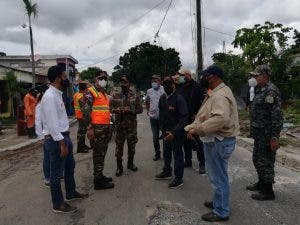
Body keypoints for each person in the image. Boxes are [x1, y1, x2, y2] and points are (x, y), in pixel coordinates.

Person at [185, 64, 239, 222]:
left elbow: (220, 118)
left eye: (205, 76)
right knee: (218, 175)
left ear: (213, 77)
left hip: (218, 141)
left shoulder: (219, 95)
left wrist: (198, 129)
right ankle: (218, 202)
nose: (203, 79)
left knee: (218, 177)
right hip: (219, 140)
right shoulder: (219, 91)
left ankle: (221, 211)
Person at [41, 65, 87, 213]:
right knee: (56, 173)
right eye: (64, 76)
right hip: (56, 140)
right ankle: (58, 204)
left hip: (63, 137)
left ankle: (71, 192)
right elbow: (53, 124)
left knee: (69, 167)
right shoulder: (49, 97)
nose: (66, 79)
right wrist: (61, 143)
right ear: (57, 78)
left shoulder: (57, 94)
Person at [246, 65, 283, 201]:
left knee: (266, 161)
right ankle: (262, 183)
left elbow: (277, 116)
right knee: (257, 159)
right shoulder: (259, 89)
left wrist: (274, 137)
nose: (253, 78)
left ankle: (268, 191)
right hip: (259, 133)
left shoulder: (271, 91)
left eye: (256, 76)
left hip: (267, 134)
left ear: (265, 76)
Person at [80, 72, 114, 190]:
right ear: (96, 79)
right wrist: (89, 128)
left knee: (102, 153)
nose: (103, 80)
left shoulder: (103, 93)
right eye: (101, 78)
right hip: (97, 129)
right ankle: (98, 181)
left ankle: (100, 175)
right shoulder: (91, 92)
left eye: (105, 78)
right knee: (98, 154)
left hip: (104, 128)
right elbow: (85, 110)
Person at [155, 76, 189, 189]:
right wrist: (161, 128)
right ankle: (167, 171)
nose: (167, 86)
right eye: (165, 84)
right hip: (166, 132)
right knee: (166, 153)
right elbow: (161, 114)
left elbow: (184, 118)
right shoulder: (163, 98)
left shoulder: (179, 98)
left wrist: (174, 133)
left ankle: (179, 178)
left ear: (173, 84)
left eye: (169, 83)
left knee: (178, 155)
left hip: (176, 133)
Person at [110, 75, 143, 177]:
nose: (123, 84)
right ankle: (119, 167)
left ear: (129, 83)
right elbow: (110, 109)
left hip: (131, 127)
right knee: (119, 148)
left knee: (131, 146)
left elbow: (140, 110)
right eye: (122, 82)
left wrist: (130, 110)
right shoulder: (115, 95)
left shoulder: (135, 95)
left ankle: (130, 164)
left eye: (125, 82)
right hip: (119, 127)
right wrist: (117, 110)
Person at [177, 69, 206, 174]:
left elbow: (204, 103)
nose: (180, 77)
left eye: (182, 75)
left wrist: (198, 115)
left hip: (195, 118)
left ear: (188, 75)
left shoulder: (197, 87)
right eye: (179, 75)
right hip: (184, 118)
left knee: (198, 142)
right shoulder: (180, 87)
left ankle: (202, 163)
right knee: (186, 142)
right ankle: (188, 161)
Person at [145, 75, 165, 161]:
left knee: (165, 136)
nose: (154, 83)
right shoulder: (149, 91)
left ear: (160, 81)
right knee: (155, 137)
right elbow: (146, 100)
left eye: (156, 81)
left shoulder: (164, 89)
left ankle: (166, 153)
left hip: (163, 117)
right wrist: (148, 110)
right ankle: (157, 153)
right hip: (153, 117)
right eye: (152, 81)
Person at [35, 84, 50, 186]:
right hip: (46, 135)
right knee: (47, 157)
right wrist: (41, 137)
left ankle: (55, 175)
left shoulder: (47, 103)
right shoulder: (40, 105)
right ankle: (47, 178)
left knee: (53, 157)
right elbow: (38, 122)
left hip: (52, 134)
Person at [73, 81, 90, 153]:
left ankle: (83, 145)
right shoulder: (80, 96)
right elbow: (84, 107)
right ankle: (80, 148)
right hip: (81, 116)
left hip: (79, 115)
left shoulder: (77, 94)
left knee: (83, 131)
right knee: (81, 132)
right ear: (84, 88)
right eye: (86, 88)